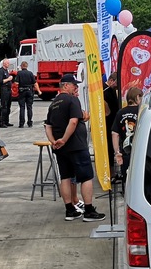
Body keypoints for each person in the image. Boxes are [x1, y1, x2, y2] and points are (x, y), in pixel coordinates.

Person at [44, 73, 105, 222]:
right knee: (86, 177)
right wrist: (64, 139)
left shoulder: (53, 103)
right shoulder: (72, 100)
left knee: (65, 177)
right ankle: (89, 211)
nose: (76, 87)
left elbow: (47, 125)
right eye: (74, 85)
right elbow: (73, 122)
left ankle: (70, 210)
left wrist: (54, 141)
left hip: (61, 149)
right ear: (65, 85)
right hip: (76, 146)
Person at [111, 86, 142, 182]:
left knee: (128, 181)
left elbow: (114, 134)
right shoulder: (142, 111)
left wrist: (117, 152)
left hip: (126, 152)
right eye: (141, 97)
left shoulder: (121, 112)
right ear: (137, 97)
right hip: (141, 151)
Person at [102, 73, 121, 177]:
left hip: (113, 121)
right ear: (111, 80)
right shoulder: (104, 91)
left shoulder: (111, 90)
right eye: (116, 83)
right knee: (108, 147)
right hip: (108, 123)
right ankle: (110, 172)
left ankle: (112, 170)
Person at [16, 60, 37, 128]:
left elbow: (16, 83)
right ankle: (30, 122)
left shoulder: (19, 73)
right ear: (27, 66)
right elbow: (34, 83)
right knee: (29, 107)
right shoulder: (30, 73)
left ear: (22, 66)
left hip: (22, 91)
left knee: (22, 107)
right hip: (29, 91)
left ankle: (21, 123)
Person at [0, 59, 13, 128]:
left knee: (8, 106)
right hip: (4, 90)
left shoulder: (6, 71)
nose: (8, 64)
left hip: (9, 90)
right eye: (7, 63)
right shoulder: (1, 71)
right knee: (4, 106)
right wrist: (8, 79)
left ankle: (6, 121)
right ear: (4, 64)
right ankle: (2, 122)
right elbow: (0, 81)